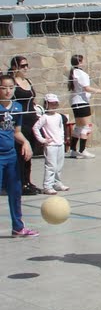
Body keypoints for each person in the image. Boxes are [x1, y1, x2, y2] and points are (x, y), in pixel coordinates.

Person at [1, 74, 38, 237]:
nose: (7, 91)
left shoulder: (17, 108)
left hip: (11, 157)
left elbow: (16, 132)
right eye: (3, 88)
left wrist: (25, 142)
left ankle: (18, 227)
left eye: (10, 87)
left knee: (15, 192)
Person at [9, 56, 40, 195]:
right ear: (15, 67)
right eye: (23, 66)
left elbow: (33, 100)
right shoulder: (12, 84)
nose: (26, 68)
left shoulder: (29, 81)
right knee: (21, 153)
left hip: (32, 119)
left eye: (27, 65)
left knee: (30, 153)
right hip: (20, 121)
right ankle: (20, 182)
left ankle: (28, 181)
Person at [68, 54, 101, 159]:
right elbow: (87, 88)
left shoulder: (73, 72)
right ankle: (82, 150)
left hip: (75, 102)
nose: (84, 62)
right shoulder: (81, 74)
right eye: (83, 60)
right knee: (86, 126)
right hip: (82, 102)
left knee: (79, 126)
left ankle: (73, 150)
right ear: (80, 62)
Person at [33, 94, 68, 195]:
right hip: (51, 145)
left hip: (60, 144)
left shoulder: (59, 116)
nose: (54, 105)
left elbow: (61, 128)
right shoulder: (44, 117)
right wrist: (43, 140)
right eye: (51, 103)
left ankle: (57, 183)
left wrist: (62, 139)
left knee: (59, 166)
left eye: (55, 103)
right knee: (51, 166)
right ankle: (47, 186)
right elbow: (36, 128)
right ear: (46, 104)